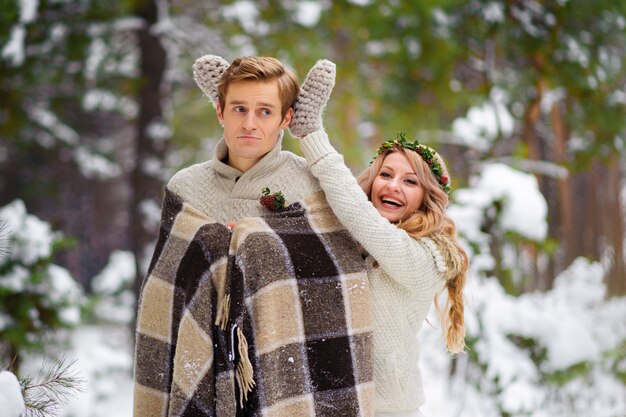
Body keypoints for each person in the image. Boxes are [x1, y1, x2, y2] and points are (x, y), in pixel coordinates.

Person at [289, 62, 469, 417]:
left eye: (410, 181)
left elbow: (362, 219)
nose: (392, 186)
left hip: (386, 408)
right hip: (323, 400)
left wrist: (311, 135)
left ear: (426, 197)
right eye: (385, 174)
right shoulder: (345, 239)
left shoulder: (428, 258)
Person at [167, 54, 322, 224]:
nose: (249, 124)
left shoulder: (313, 185)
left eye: (265, 112)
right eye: (240, 109)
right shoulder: (184, 186)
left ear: (285, 119)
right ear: (220, 112)